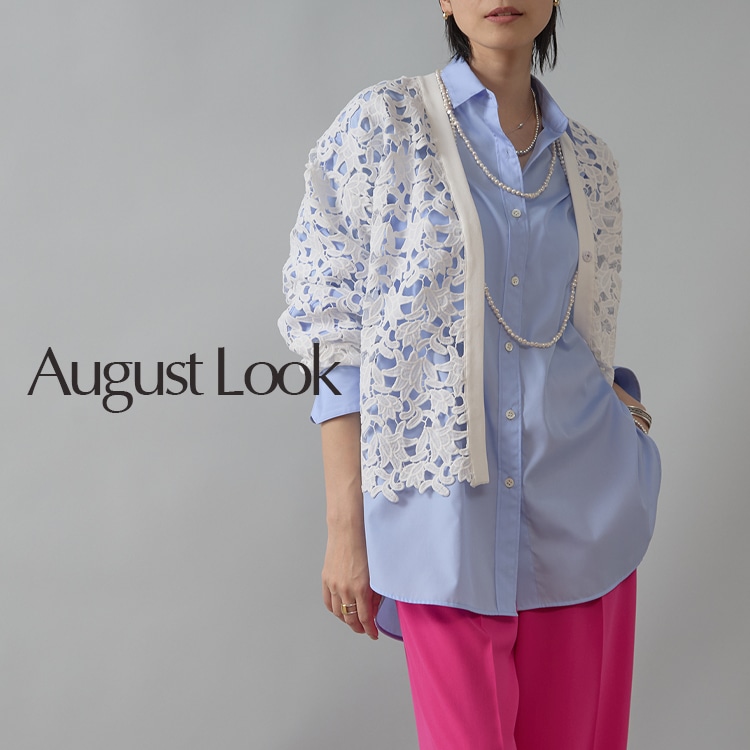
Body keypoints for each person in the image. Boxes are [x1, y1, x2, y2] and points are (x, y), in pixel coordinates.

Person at [278, 1, 661, 748]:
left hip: (582, 526)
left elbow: (587, 339)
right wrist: (345, 527)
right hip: (442, 523)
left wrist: (628, 419)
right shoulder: (384, 127)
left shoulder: (589, 163)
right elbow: (330, 330)